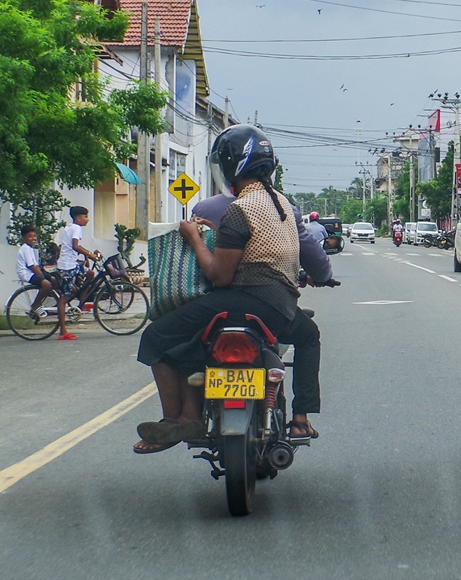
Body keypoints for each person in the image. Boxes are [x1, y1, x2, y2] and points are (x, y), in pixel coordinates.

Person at [134, 125, 332, 453]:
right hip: (281, 308)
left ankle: (177, 419)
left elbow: (219, 276)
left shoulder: (239, 210)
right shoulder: (282, 204)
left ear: (229, 166)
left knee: (157, 337)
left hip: (240, 302)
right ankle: (300, 417)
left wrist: (195, 238)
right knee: (309, 336)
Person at [16, 225, 73, 339]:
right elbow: (32, 267)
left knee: (54, 280)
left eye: (34, 236)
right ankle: (36, 305)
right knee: (46, 283)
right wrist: (43, 277)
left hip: (32, 272)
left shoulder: (30, 248)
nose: (33, 238)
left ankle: (55, 300)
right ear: (24, 238)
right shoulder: (26, 249)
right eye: (29, 236)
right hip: (26, 273)